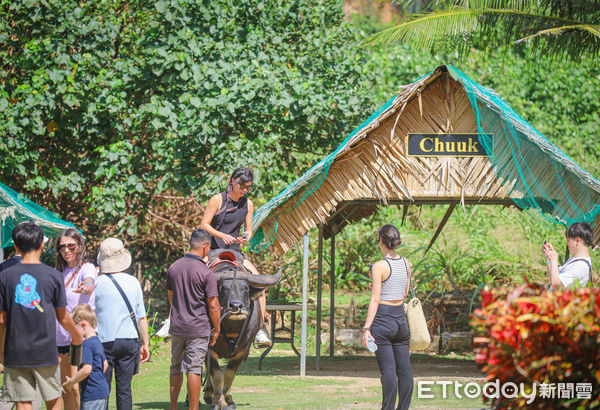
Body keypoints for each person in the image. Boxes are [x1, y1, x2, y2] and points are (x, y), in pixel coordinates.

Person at [0, 220, 83, 410]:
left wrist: (1, 350)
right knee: (54, 398)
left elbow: (2, 320)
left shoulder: (5, 276)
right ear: (42, 244)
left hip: (16, 349)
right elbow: (62, 316)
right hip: (46, 349)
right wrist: (76, 335)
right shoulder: (52, 275)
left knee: (23, 400)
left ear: (16, 245)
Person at [200, 167, 271, 347]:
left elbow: (248, 229)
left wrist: (245, 237)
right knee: (190, 276)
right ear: (232, 181)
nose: (245, 190)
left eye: (248, 187)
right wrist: (221, 235)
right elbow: (204, 225)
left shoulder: (248, 204)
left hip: (235, 252)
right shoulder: (217, 199)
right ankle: (174, 321)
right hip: (213, 250)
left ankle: (260, 328)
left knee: (259, 283)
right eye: (242, 185)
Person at [166, 229, 220, 410]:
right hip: (198, 328)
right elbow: (213, 305)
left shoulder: (174, 267)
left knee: (175, 367)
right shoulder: (206, 272)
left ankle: (173, 406)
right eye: (209, 248)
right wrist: (217, 329)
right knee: (194, 369)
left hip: (177, 327)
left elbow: (172, 297)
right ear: (205, 246)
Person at [362, 224, 413, 410]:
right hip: (401, 319)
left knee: (389, 372)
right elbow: (405, 293)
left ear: (381, 242)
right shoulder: (407, 263)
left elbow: (375, 299)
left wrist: (367, 328)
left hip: (383, 320)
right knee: (405, 370)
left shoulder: (379, 266)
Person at [94, 238, 150, 410]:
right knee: (124, 389)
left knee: (102, 389)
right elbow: (141, 317)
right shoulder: (133, 281)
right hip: (129, 340)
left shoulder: (97, 282)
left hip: (104, 340)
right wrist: (146, 343)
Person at [55, 228, 97, 410]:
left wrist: (86, 287)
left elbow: (89, 283)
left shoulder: (86, 268)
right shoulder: (57, 273)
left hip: (80, 339)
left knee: (78, 388)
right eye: (62, 247)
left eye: (71, 245)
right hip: (59, 338)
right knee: (65, 388)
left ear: (80, 246)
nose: (66, 250)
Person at [62, 304, 109, 410]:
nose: (72, 333)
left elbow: (87, 369)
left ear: (83, 325)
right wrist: (97, 377)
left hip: (92, 395)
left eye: (74, 328)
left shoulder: (87, 345)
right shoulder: (97, 341)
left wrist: (72, 381)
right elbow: (105, 364)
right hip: (102, 392)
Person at [542, 222, 594, 289]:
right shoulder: (576, 260)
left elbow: (556, 285)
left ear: (577, 241)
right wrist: (548, 258)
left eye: (568, 240)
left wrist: (554, 260)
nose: (567, 244)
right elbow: (553, 278)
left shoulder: (581, 267)